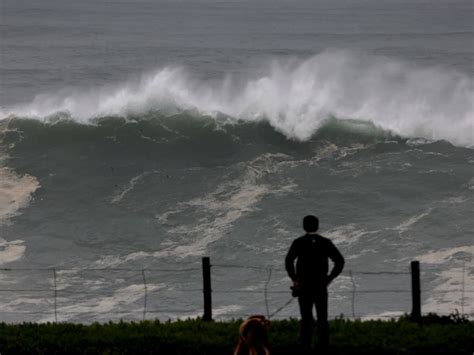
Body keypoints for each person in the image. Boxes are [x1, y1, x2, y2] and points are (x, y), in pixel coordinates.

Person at [285, 215, 345, 352]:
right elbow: (340, 261)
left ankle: (305, 344)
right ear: (317, 226)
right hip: (320, 285)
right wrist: (330, 277)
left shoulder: (298, 242)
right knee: (322, 316)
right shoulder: (325, 242)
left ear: (304, 227)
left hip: (304, 285)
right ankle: (323, 344)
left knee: (306, 317)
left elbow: (289, 262)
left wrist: (295, 278)